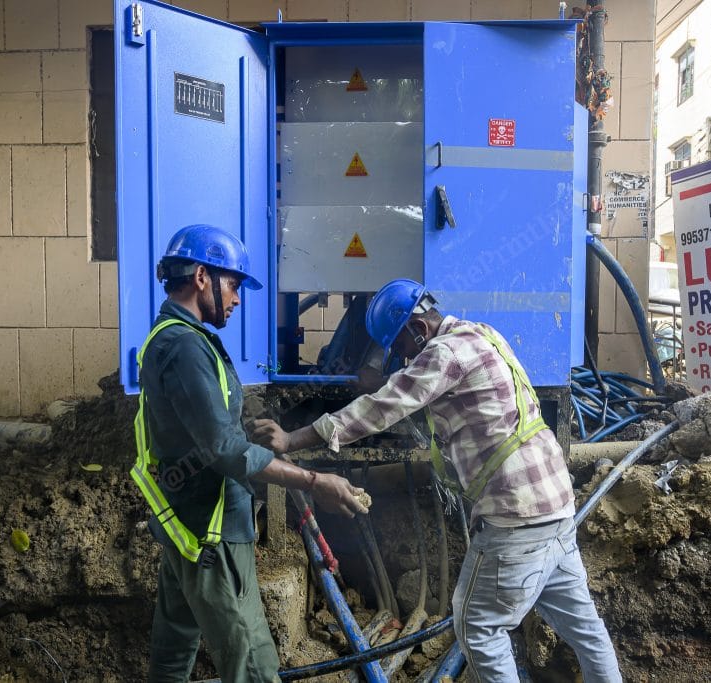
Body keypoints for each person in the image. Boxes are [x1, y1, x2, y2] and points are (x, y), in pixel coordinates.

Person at [252, 278, 621, 682]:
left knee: (477, 628)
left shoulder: (444, 352)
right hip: (556, 507)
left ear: (417, 329)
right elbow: (428, 389)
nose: (401, 357)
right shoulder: (480, 333)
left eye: (400, 347)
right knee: (586, 629)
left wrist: (292, 439)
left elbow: (379, 410)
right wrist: (389, 382)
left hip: (515, 514)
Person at [133, 224, 367, 683]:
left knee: (174, 650)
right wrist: (315, 481)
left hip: (184, 524)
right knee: (252, 662)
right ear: (202, 276)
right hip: (212, 531)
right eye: (234, 285)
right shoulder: (185, 346)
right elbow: (223, 451)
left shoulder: (173, 336)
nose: (237, 299)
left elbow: (202, 433)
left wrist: (244, 433)